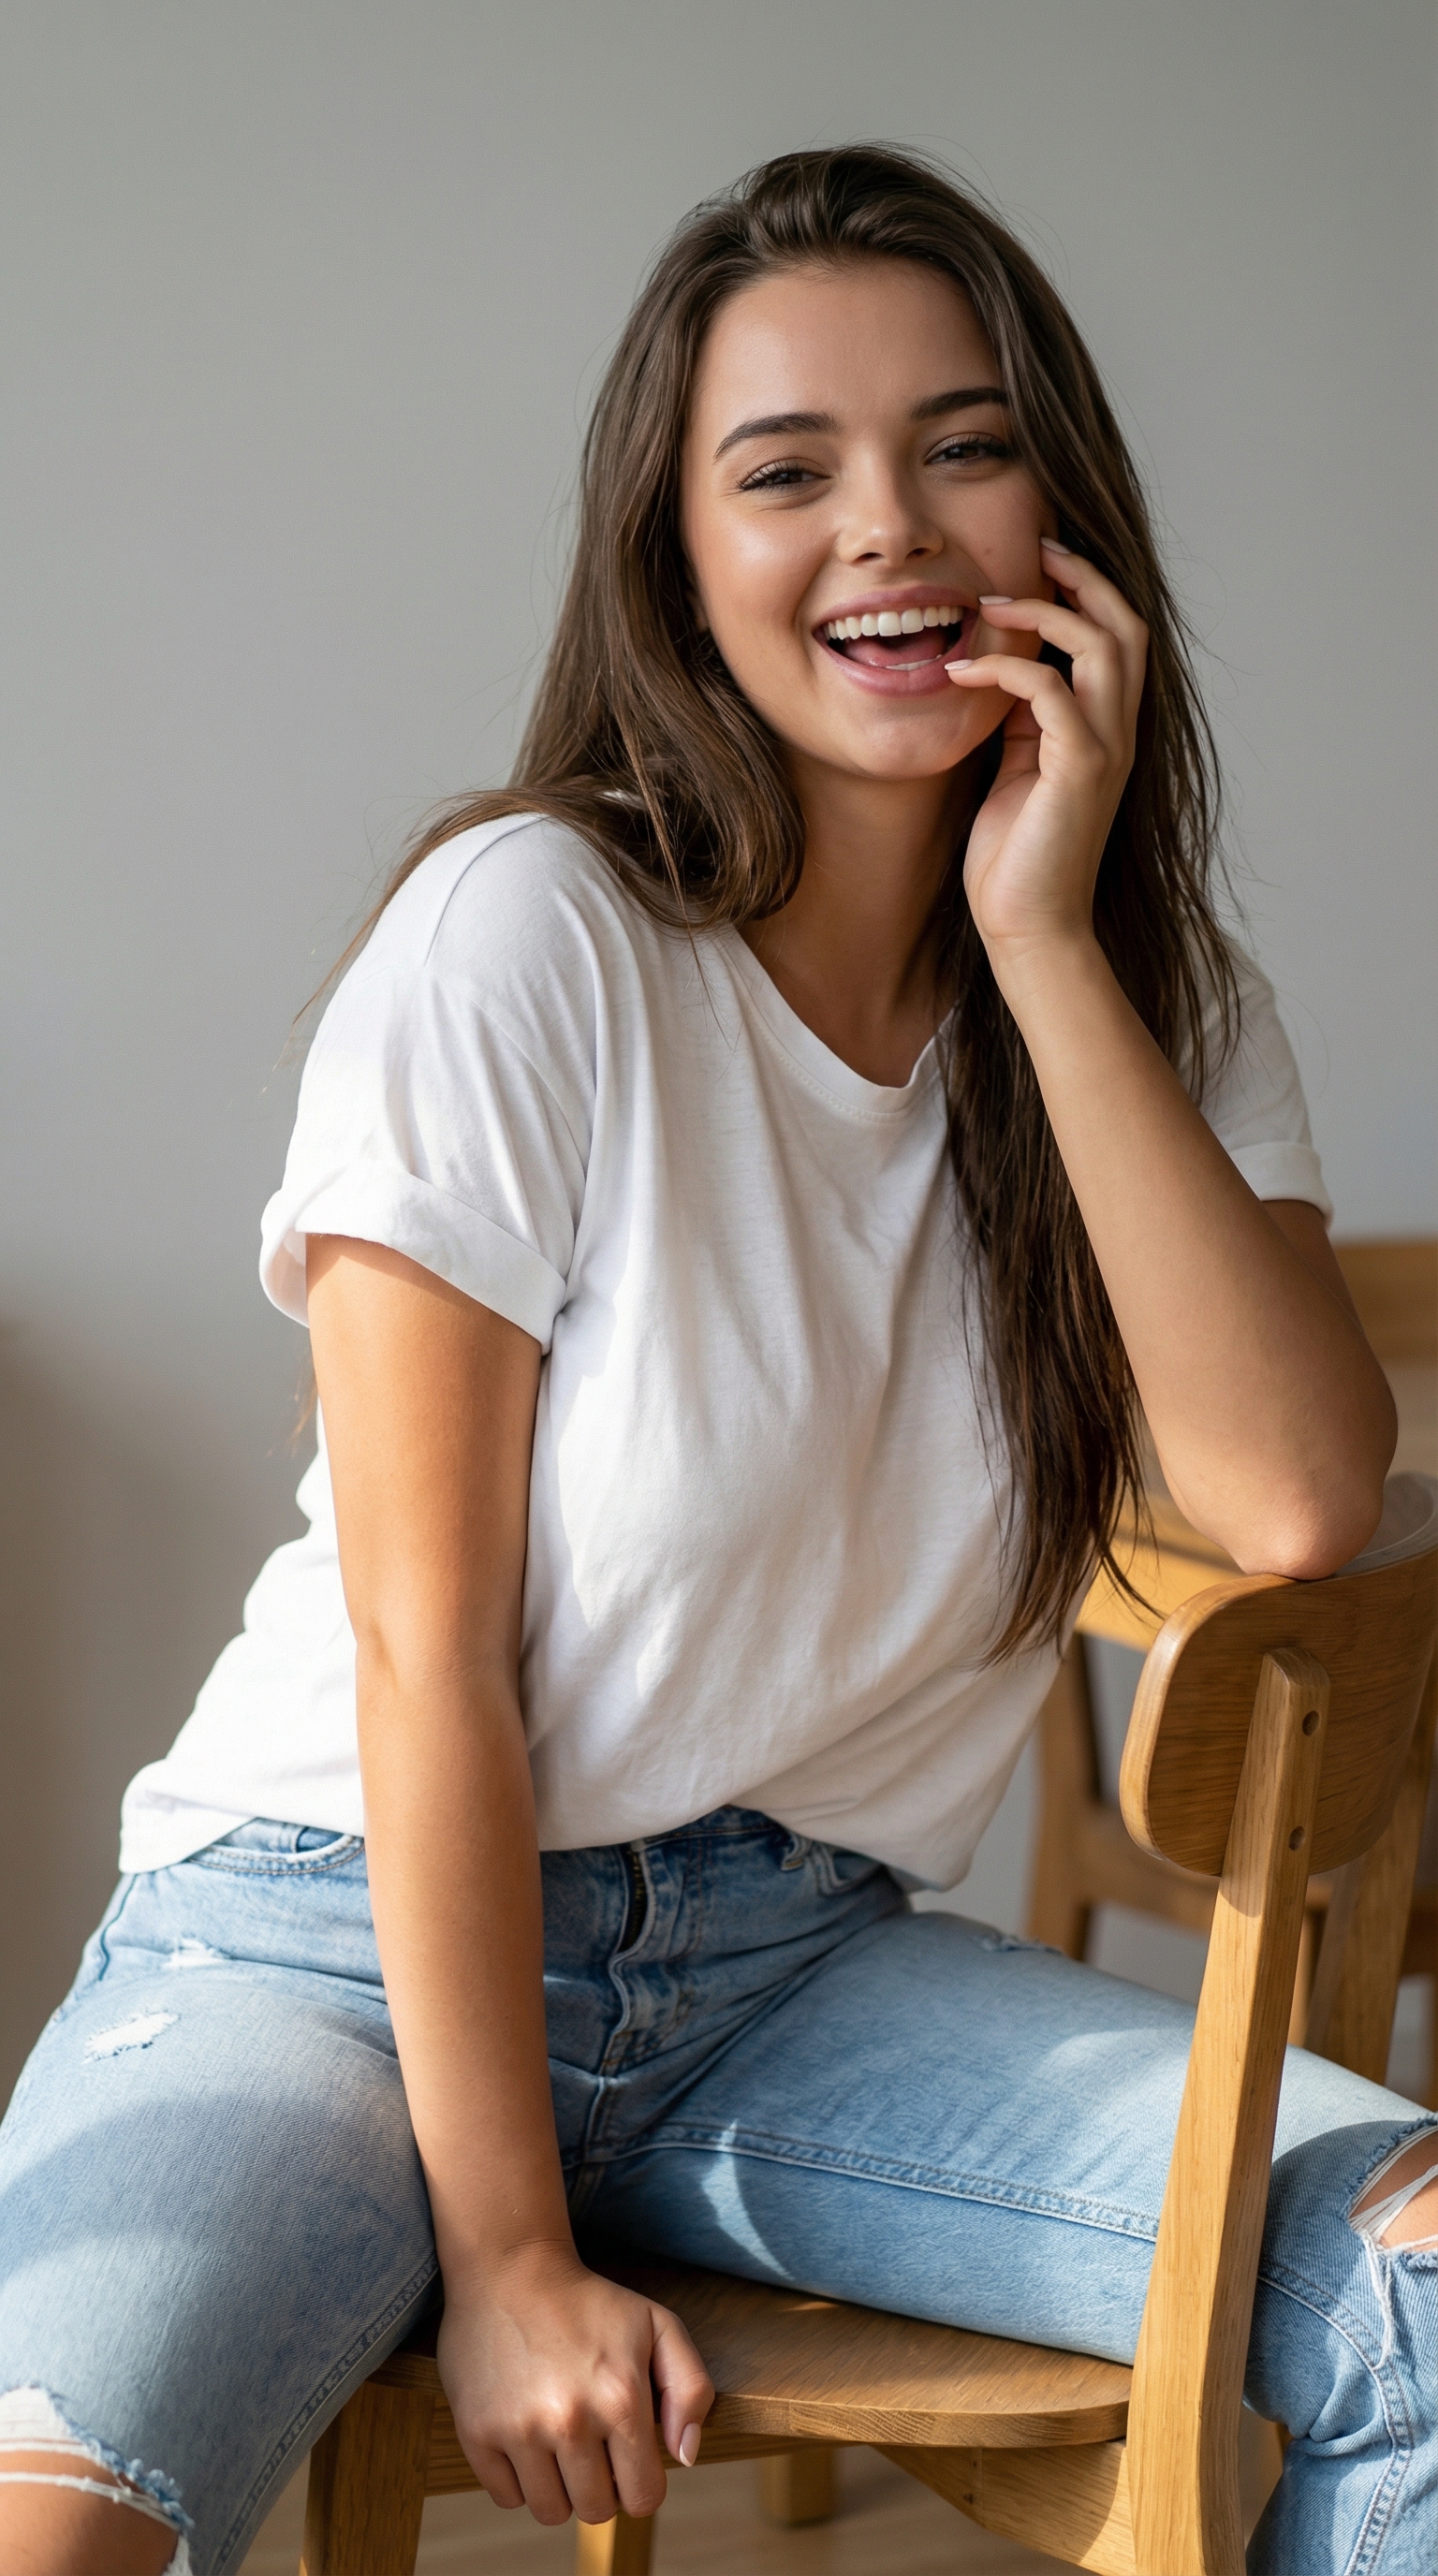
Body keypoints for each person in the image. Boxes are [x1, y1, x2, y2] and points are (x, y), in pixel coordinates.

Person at [1, 144, 1433, 2576]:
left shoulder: (1156, 1006)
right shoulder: (522, 939)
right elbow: (422, 1654)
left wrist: (1050, 953)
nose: (892, 528)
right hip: (334, 1932)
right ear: (677, 564)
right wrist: (509, 2259)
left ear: (1064, 506)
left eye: (963, 447)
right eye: (786, 472)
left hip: (798, 1980)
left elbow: (1294, 1502)